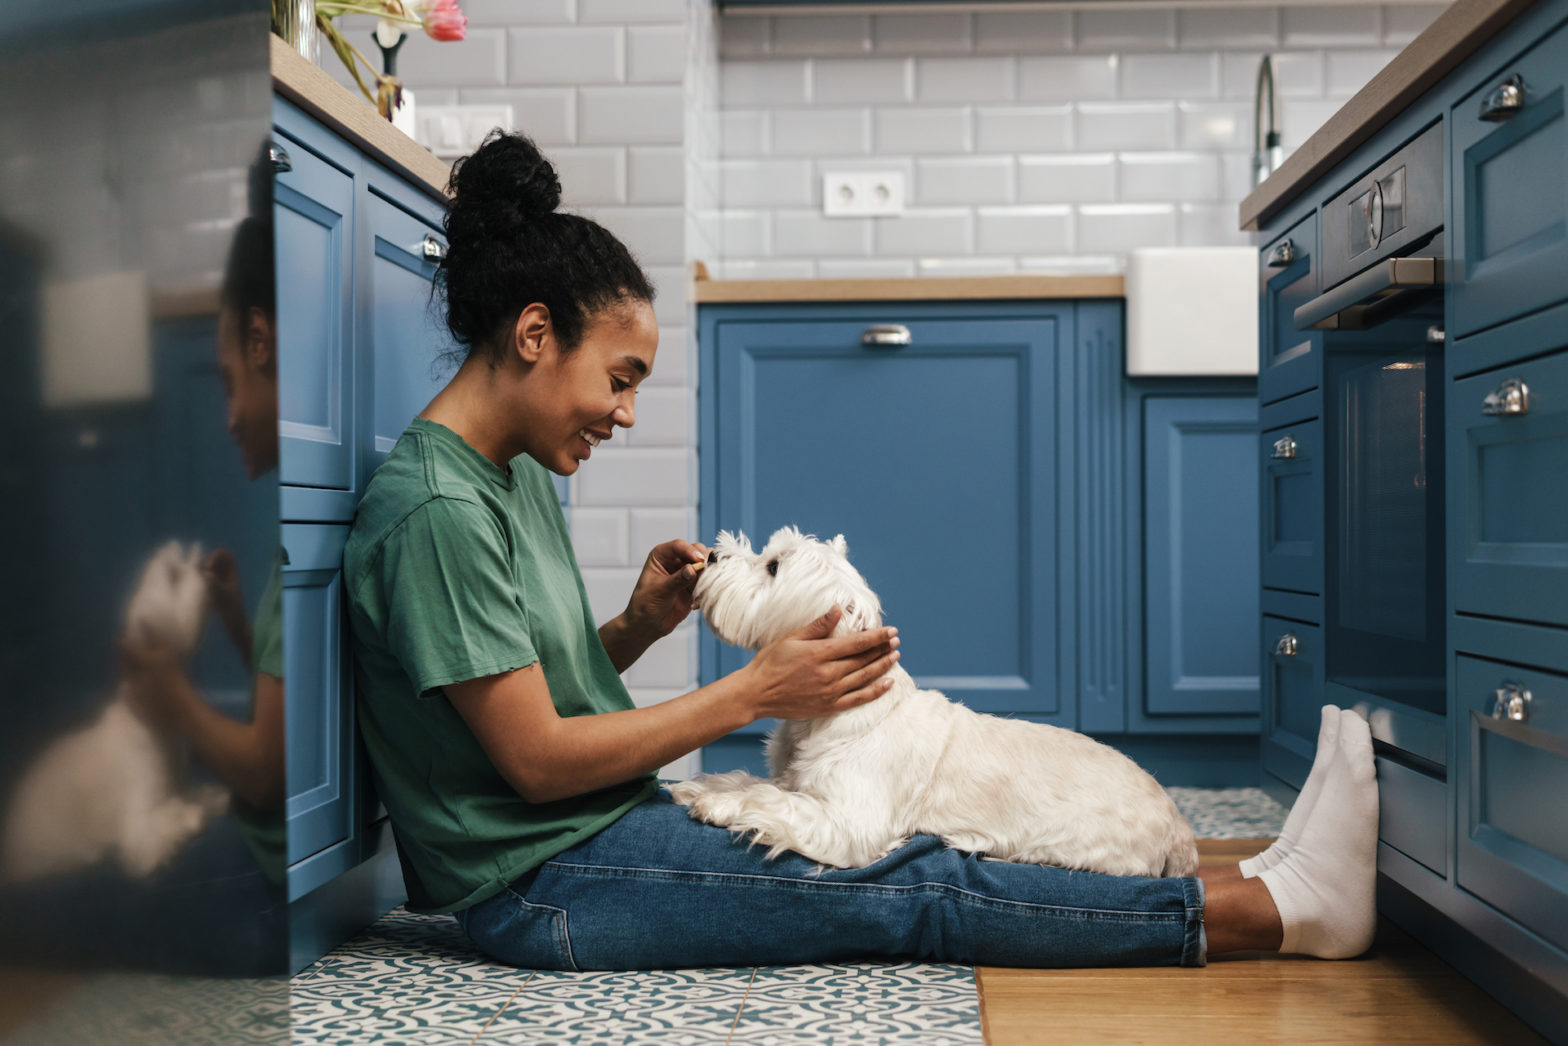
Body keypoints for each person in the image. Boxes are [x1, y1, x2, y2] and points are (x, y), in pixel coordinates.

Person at [342, 130, 1379, 972]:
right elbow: (529, 762)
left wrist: (628, 629)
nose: (622, 411)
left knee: (888, 848)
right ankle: (1270, 914)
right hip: (542, 883)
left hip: (589, 832)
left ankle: (1264, 873)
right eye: (618, 377)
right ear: (532, 334)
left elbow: (513, 701)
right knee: (913, 884)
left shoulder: (513, 470)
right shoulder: (437, 510)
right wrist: (754, 692)